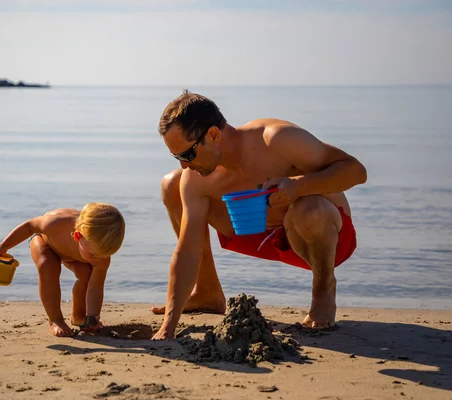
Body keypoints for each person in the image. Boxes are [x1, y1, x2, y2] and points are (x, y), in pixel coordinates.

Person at [151, 90, 367, 340]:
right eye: (177, 156)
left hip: (323, 236)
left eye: (187, 155)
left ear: (213, 134)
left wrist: (299, 186)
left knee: (310, 209)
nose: (184, 164)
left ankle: (323, 290)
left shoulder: (277, 140)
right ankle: (207, 291)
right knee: (173, 184)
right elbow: (187, 250)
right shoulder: (195, 178)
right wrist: (168, 327)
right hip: (258, 230)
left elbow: (356, 171)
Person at [0, 203, 126, 337]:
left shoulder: (100, 256)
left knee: (87, 274)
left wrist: (93, 318)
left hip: (71, 256)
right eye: (93, 254)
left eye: (104, 255)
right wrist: (5, 245)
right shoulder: (55, 223)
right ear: (78, 236)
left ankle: (78, 316)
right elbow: (30, 226)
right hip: (46, 243)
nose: (98, 258)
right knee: (47, 265)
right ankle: (55, 320)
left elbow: (95, 287)